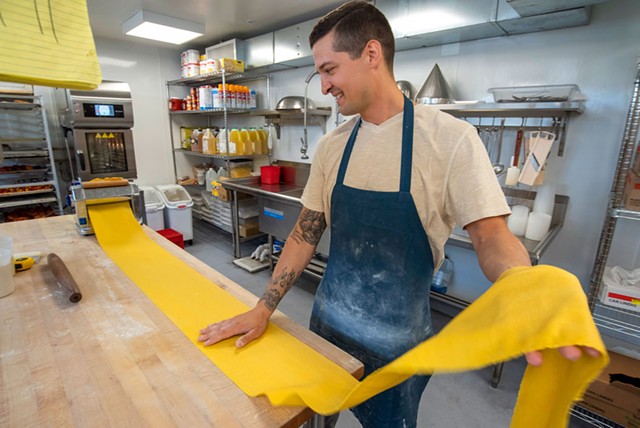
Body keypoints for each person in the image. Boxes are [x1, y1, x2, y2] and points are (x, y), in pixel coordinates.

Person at [198, 2, 600, 426]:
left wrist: (523, 286)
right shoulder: (332, 147)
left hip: (399, 348)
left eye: (330, 70)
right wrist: (264, 309)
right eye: (320, 74)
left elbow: (491, 236)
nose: (324, 87)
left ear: (371, 54)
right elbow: (304, 233)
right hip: (327, 329)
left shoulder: (451, 140)